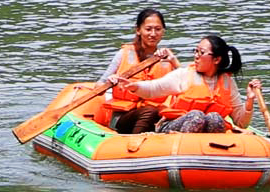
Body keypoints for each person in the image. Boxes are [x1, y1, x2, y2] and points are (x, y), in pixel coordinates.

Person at [107, 34, 260, 135]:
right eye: (196, 51)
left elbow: (241, 123)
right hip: (172, 128)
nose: (196, 56)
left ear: (217, 59)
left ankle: (212, 157)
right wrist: (133, 86)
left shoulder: (227, 82)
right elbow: (154, 88)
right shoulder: (185, 74)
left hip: (206, 140)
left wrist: (250, 100)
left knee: (215, 118)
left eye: (201, 52)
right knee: (197, 116)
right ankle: (182, 153)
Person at [98, 7, 179, 134]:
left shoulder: (167, 58)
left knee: (154, 112)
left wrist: (175, 62)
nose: (153, 34)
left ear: (163, 31)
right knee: (149, 112)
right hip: (122, 117)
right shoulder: (124, 53)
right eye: (148, 29)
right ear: (138, 30)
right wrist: (110, 80)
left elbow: (186, 86)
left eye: (158, 29)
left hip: (156, 116)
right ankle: (134, 144)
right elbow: (99, 86)